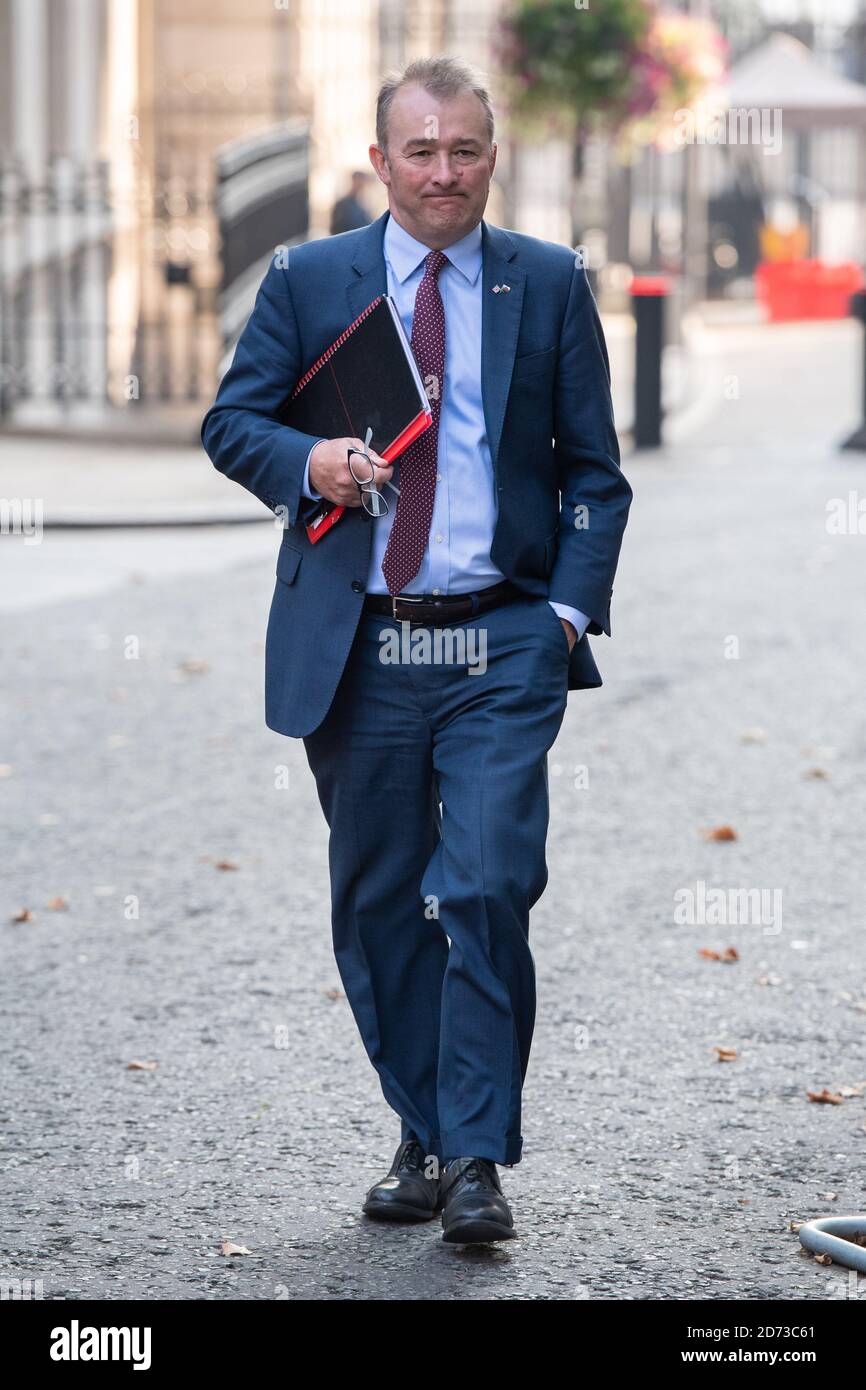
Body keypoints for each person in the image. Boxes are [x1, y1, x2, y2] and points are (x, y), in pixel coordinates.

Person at [201, 56, 632, 1245]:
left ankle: (478, 1157)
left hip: (498, 638)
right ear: (380, 160)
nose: (443, 172)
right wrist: (309, 464)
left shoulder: (544, 283)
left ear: (491, 158)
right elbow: (229, 422)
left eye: (464, 150)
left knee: (487, 885)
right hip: (363, 644)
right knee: (382, 902)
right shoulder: (309, 278)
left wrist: (560, 616)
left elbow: (595, 474)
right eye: (421, 150)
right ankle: (427, 1125)